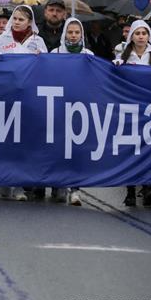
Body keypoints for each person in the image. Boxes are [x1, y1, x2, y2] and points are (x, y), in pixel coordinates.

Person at [0, 5, 47, 201]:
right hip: (6, 98)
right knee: (6, 142)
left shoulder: (38, 41)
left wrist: (42, 59)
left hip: (28, 99)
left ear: (30, 22)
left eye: (21, 19)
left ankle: (20, 184)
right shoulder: (2, 39)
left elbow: (49, 69)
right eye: (15, 18)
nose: (17, 22)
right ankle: (5, 181)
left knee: (23, 143)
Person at [114, 20, 151, 207]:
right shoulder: (124, 56)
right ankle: (130, 191)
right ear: (131, 36)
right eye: (138, 33)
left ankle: (148, 185)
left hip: (149, 109)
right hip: (130, 108)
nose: (141, 36)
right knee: (131, 150)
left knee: (149, 148)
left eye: (144, 33)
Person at [48, 17, 94, 206]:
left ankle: (75, 188)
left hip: (79, 108)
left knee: (77, 149)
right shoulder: (55, 53)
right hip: (58, 107)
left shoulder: (88, 55)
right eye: (70, 32)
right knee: (57, 147)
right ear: (64, 33)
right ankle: (57, 184)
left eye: (77, 33)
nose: (73, 36)